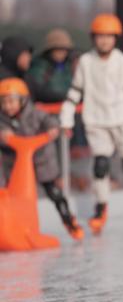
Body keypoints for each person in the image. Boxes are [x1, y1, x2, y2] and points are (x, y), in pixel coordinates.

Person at [59, 14, 123, 234]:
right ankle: (100, 208)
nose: (104, 41)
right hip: (96, 121)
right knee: (100, 165)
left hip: (122, 119)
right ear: (93, 38)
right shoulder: (86, 62)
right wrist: (66, 120)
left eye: (109, 36)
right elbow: (75, 93)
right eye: (100, 36)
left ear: (116, 38)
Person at [0, 77, 83, 240]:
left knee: (54, 192)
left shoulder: (36, 113)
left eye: (11, 101)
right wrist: (4, 135)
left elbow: (50, 121)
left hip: (41, 161)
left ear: (23, 101)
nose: (7, 106)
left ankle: (68, 220)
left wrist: (53, 129)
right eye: (3, 103)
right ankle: (14, 227)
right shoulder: (3, 120)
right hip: (16, 166)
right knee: (13, 195)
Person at [0, 36, 65, 103]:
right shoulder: (3, 78)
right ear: (13, 55)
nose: (29, 59)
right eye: (25, 55)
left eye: (29, 55)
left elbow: (42, 93)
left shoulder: (25, 77)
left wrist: (67, 97)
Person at [26, 29, 77, 104]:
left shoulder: (70, 66)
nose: (61, 53)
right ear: (50, 50)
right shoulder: (39, 67)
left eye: (64, 49)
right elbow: (39, 92)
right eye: (57, 49)